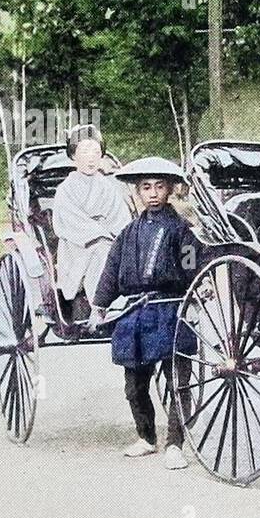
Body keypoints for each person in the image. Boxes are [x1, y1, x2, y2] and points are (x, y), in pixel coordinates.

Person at [92, 157, 200, 469]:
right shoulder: (128, 233)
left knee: (177, 380)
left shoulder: (183, 231)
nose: (152, 193)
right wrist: (100, 305)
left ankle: (175, 444)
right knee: (134, 383)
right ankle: (146, 436)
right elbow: (111, 273)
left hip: (171, 309)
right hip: (136, 312)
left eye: (159, 187)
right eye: (146, 187)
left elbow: (192, 265)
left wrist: (197, 286)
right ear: (137, 192)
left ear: (169, 190)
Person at [51, 125, 131, 317]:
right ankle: (101, 306)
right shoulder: (66, 189)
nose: (91, 157)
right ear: (73, 155)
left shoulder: (108, 186)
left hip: (108, 241)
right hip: (77, 248)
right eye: (85, 151)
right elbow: (69, 223)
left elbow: (120, 219)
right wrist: (100, 234)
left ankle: (125, 302)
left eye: (96, 152)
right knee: (101, 250)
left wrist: (119, 238)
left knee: (120, 251)